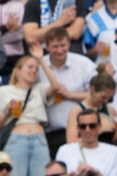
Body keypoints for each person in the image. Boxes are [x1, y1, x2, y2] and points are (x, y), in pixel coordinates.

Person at [0, 46, 60, 176]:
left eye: (36, 69)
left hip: (39, 139)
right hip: (16, 140)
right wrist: (7, 113)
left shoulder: (39, 89)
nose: (34, 71)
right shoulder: (4, 91)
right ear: (18, 70)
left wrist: (41, 60)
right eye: (30, 67)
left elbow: (56, 86)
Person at [40, 27, 96, 156]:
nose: (60, 50)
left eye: (63, 45)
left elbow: (97, 94)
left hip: (80, 131)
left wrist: (69, 95)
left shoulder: (84, 64)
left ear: (69, 43)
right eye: (55, 47)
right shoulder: (39, 66)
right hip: (50, 133)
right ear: (46, 47)